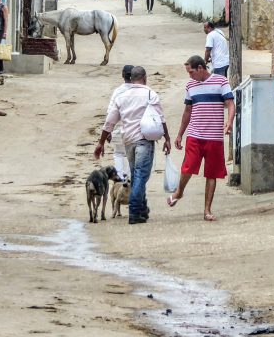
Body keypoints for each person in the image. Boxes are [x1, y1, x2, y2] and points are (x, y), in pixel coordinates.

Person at [96, 66, 170, 224]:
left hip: (128, 141)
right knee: (140, 176)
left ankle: (142, 209)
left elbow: (110, 121)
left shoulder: (121, 96)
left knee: (137, 175)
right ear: (144, 77)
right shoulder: (150, 93)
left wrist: (101, 142)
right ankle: (135, 211)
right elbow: (161, 118)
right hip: (144, 140)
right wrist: (167, 139)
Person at [167, 55, 235, 221]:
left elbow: (231, 104)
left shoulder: (221, 81)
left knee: (211, 173)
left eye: (191, 72)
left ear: (200, 68)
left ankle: (207, 210)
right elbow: (187, 111)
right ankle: (179, 192)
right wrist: (180, 134)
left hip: (214, 137)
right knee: (188, 167)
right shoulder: (190, 85)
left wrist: (229, 121)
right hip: (195, 135)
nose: (190, 76)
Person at [104, 64, 136, 179]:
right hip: (134, 129)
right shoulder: (138, 90)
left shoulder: (118, 91)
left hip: (118, 128)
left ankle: (120, 178)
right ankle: (129, 179)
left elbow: (110, 112)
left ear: (122, 75)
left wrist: (108, 130)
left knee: (118, 153)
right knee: (131, 155)